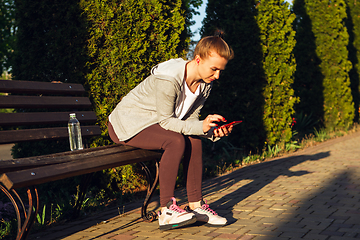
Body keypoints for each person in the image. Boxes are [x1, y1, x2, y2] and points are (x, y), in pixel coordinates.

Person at [108, 30, 234, 230]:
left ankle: (196, 205)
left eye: (221, 70)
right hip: (128, 123)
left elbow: (190, 121)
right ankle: (166, 210)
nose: (217, 75)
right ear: (198, 59)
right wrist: (199, 127)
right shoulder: (170, 78)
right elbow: (167, 121)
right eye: (214, 69)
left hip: (155, 125)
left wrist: (209, 132)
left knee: (193, 138)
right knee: (175, 141)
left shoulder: (204, 85)